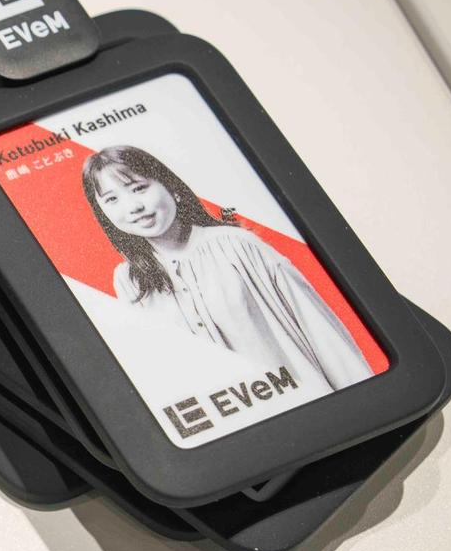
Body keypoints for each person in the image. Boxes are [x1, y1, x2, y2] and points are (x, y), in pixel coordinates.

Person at [80, 145, 374, 391]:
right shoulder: (128, 281)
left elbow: (319, 329)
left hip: (304, 404)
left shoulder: (237, 245)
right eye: (112, 199)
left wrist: (364, 399)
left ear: (171, 187)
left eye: (139, 188)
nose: (133, 207)